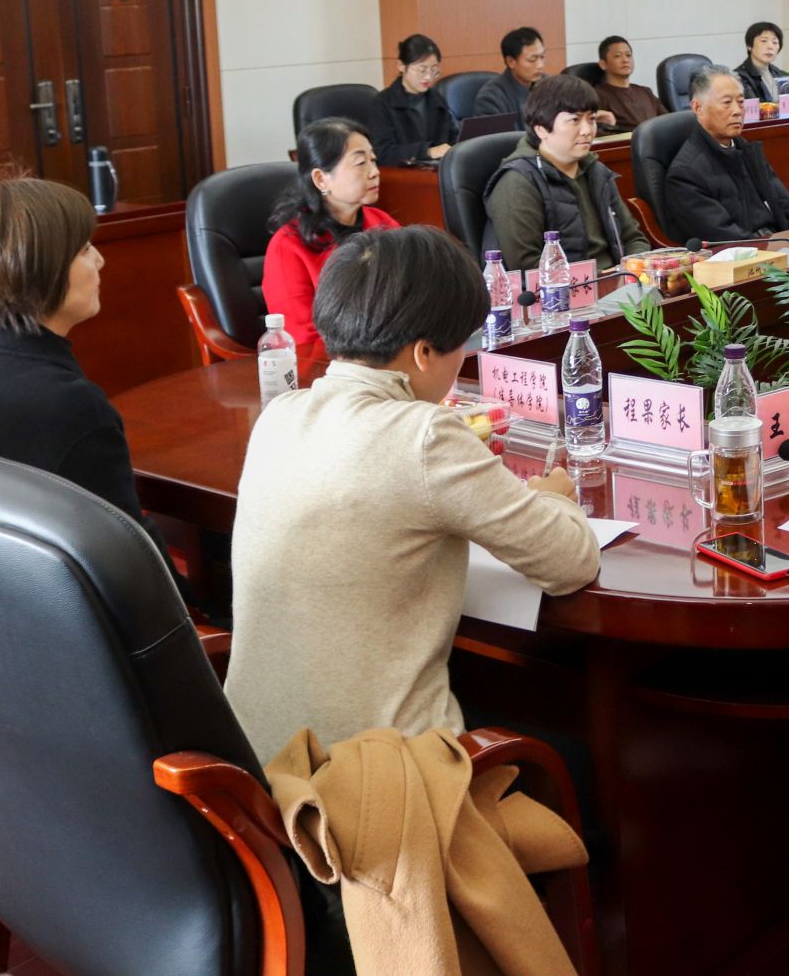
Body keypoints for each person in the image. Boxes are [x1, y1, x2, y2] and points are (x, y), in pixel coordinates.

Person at [224, 225, 599, 763]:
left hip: (253, 773)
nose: (462, 359)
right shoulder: (424, 435)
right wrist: (554, 497)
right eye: (462, 346)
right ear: (424, 353)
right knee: (578, 752)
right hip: (375, 785)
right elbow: (571, 561)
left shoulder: (279, 416)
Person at [0, 176, 186, 598]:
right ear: (38, 267)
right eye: (84, 250)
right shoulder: (71, 405)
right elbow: (133, 568)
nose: (100, 261)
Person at [483, 74, 647, 272]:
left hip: (619, 281)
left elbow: (633, 238)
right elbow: (527, 266)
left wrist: (633, 268)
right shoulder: (517, 182)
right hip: (566, 289)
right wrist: (602, 277)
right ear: (541, 129)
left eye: (592, 119)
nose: (587, 130)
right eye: (574, 120)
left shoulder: (596, 171)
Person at [264, 117, 401, 353]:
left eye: (373, 160)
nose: (375, 172)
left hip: (391, 352)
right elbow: (302, 338)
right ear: (320, 179)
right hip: (330, 363)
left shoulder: (382, 223)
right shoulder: (288, 246)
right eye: (361, 163)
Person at [663, 65, 789, 243]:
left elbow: (787, 208)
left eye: (741, 102)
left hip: (777, 243)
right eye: (727, 103)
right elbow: (723, 235)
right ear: (697, 108)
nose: (737, 111)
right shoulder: (685, 173)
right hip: (743, 253)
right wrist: (775, 247)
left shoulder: (748, 151)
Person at [373, 33, 456, 165]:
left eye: (434, 70)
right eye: (422, 70)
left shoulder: (435, 98)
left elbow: (452, 137)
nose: (428, 77)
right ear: (401, 66)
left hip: (436, 169)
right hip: (402, 173)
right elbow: (382, 152)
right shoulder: (382, 103)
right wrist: (427, 151)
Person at [470, 26, 550, 127]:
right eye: (532, 59)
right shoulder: (491, 97)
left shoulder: (550, 86)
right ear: (511, 61)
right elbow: (496, 136)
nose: (540, 65)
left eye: (542, 57)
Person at [593, 35, 666, 132]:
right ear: (603, 64)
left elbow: (668, 120)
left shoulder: (645, 91)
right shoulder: (598, 94)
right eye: (618, 56)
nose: (625, 60)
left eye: (628, 55)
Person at [733, 21, 789, 104]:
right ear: (749, 46)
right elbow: (752, 108)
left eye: (775, 42)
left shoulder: (778, 73)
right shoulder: (739, 76)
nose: (770, 46)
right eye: (764, 41)